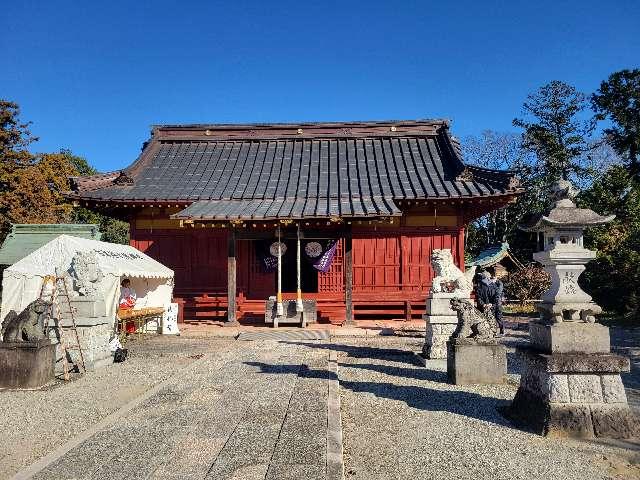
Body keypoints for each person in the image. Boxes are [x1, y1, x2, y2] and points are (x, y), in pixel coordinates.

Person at [487, 267, 505, 335]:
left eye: (494, 274)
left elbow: (498, 293)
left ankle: (501, 329)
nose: (493, 275)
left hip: (497, 303)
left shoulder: (499, 283)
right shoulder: (490, 282)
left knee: (498, 317)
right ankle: (493, 331)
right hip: (491, 302)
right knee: (491, 317)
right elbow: (488, 292)